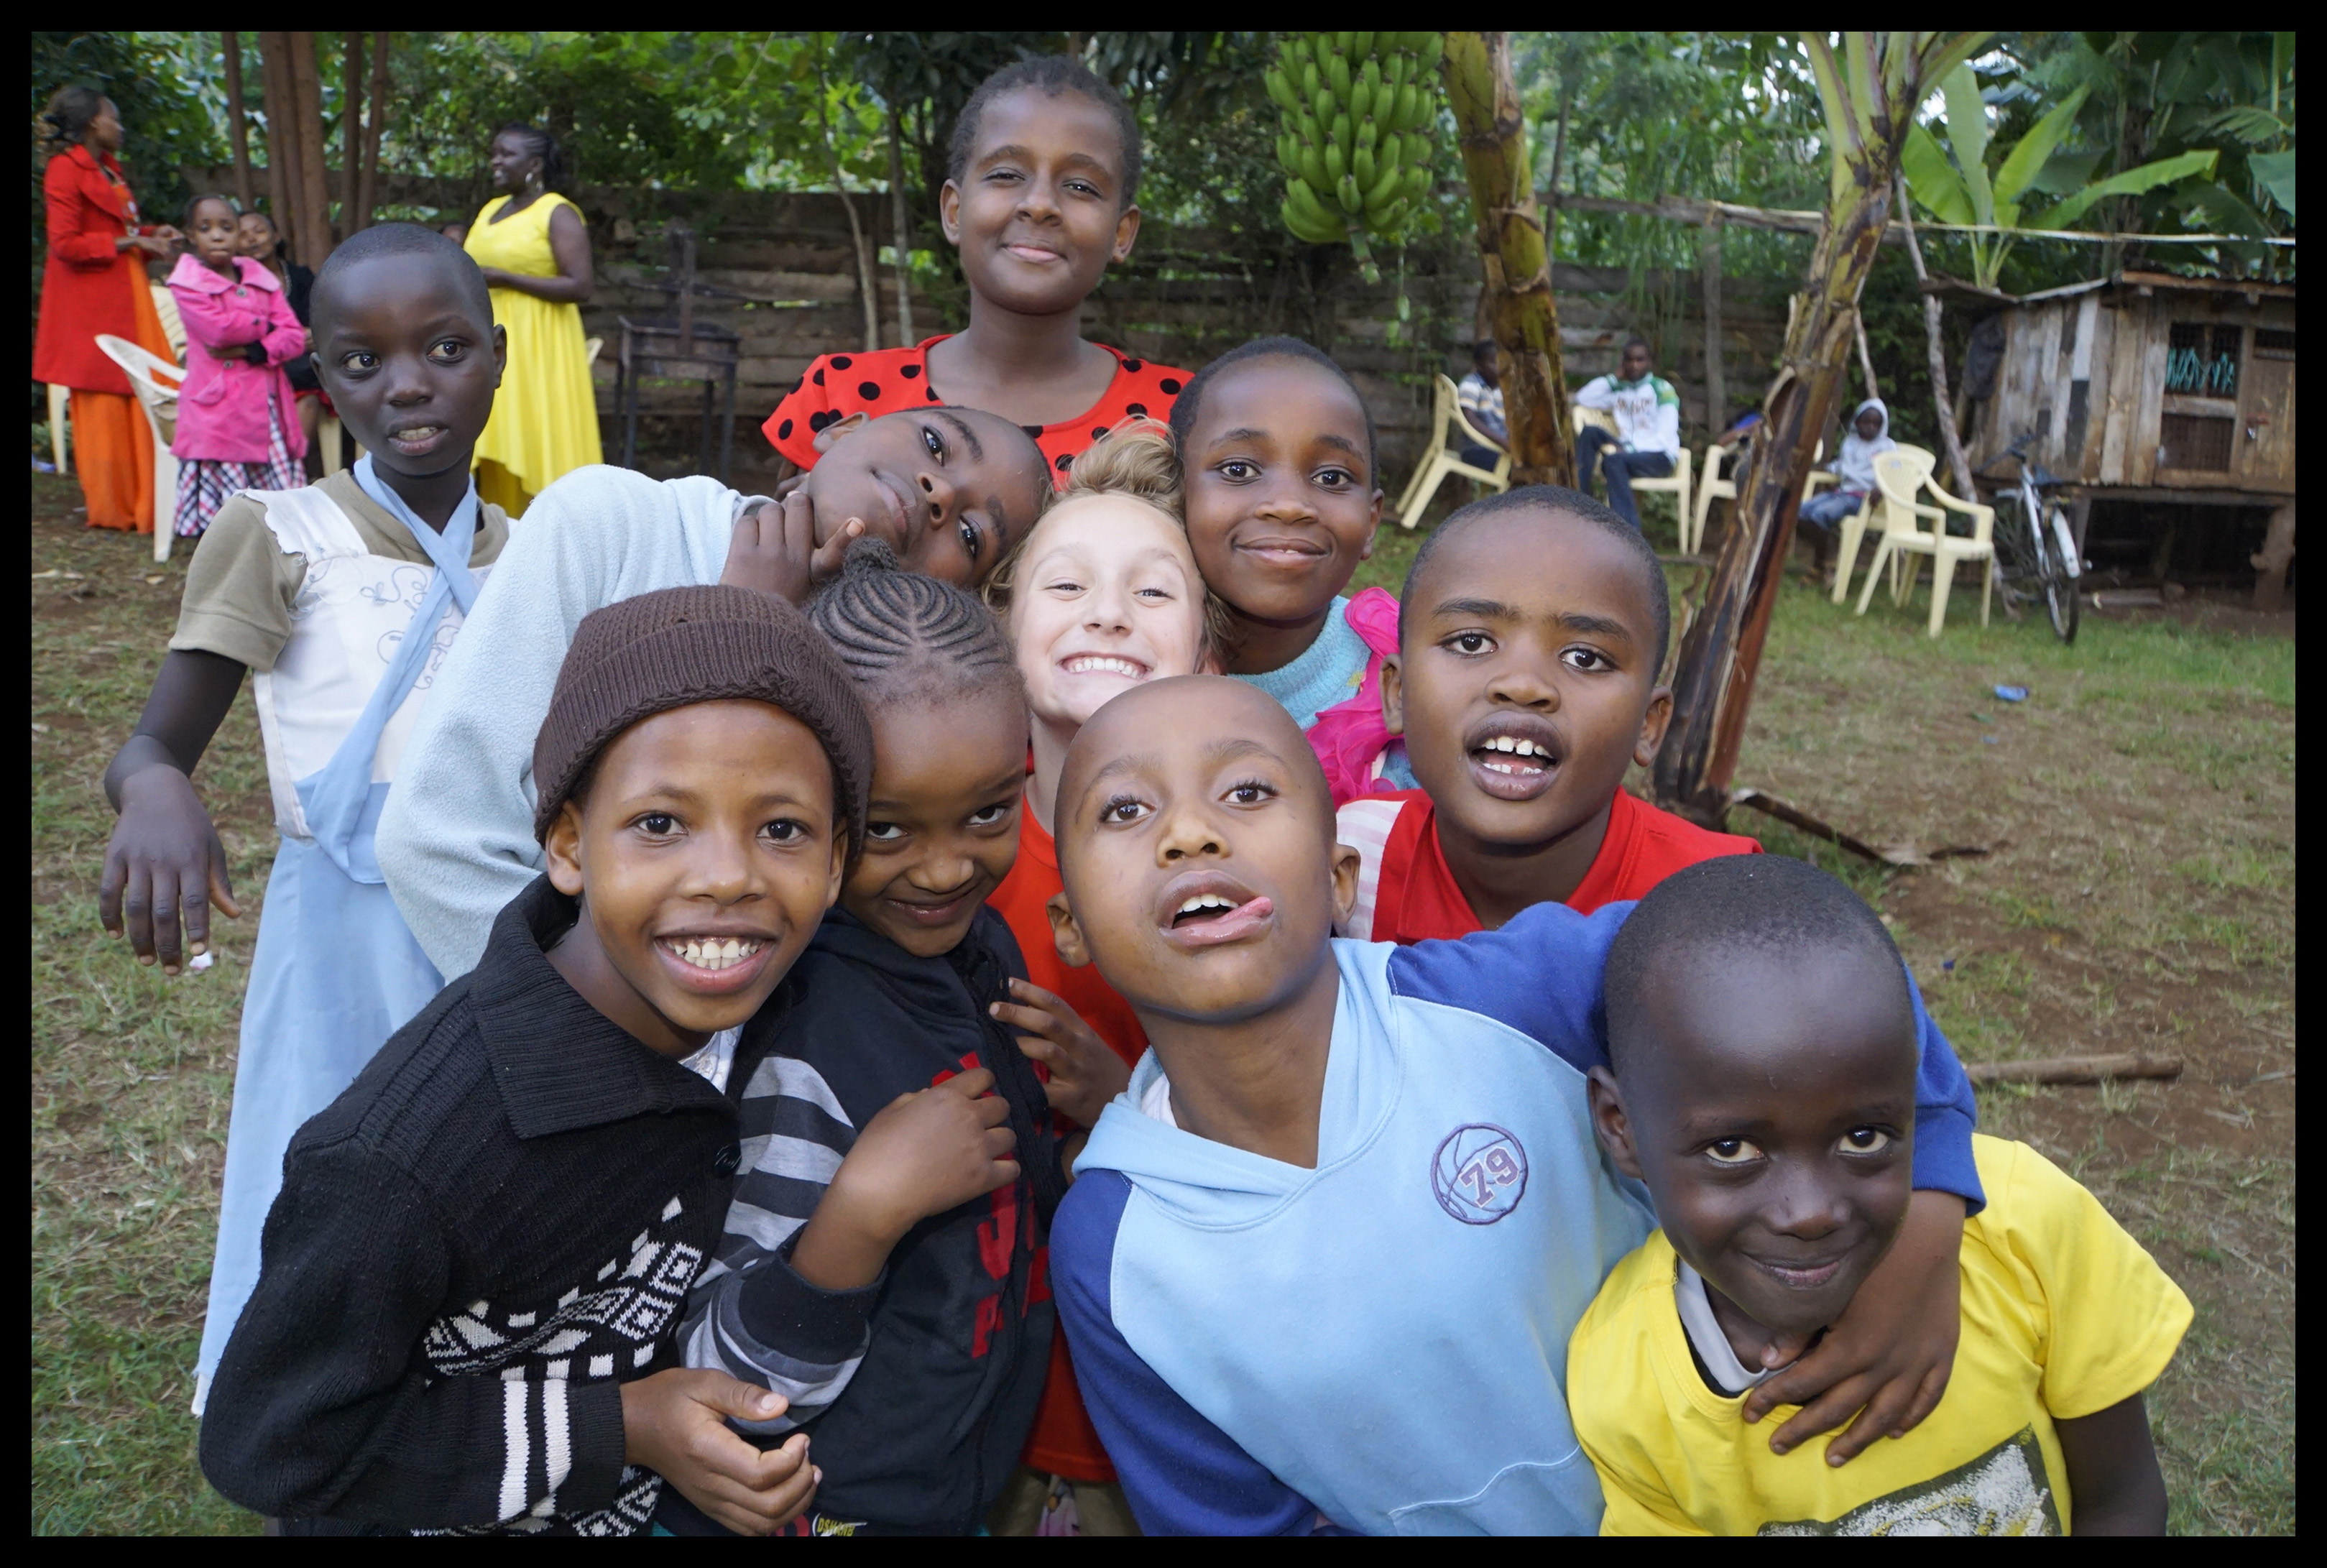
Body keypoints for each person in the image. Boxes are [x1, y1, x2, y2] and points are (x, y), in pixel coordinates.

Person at [1042, 678, 1986, 1534]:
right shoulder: (1112, 1250)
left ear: (1338, 877)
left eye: (1246, 792)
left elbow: (1789, 934)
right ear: (1069, 925)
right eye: (1125, 809)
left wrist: (1926, 1219)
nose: (1191, 833)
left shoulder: (1510, 995)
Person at [200, 585, 870, 1534]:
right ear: (565, 841)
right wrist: (623, 1424)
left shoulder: (765, 1014)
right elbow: (273, 1442)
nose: (728, 875)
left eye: (782, 829)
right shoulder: (403, 1160)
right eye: (660, 823)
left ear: (837, 862)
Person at [97, 223, 512, 1411]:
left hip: (490, 931)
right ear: (323, 377)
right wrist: (160, 792)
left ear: (497, 358)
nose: (408, 385)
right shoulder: (279, 536)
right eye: (362, 361)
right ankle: (306, 1419)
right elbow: (147, 745)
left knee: (480, 1174)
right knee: (333, 1160)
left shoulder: (528, 559)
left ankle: (468, 1413)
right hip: (342, 935)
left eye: (442, 348)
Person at [665, 548, 1130, 1536]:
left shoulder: (977, 948)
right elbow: (720, 1387)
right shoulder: (798, 1039)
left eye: (989, 811)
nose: (948, 865)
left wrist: (1109, 1099)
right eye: (885, 830)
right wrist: (863, 1214)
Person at [1575, 854, 2189, 1535]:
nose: (1810, 1211)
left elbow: (2123, 1500)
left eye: (1863, 1138)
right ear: (1619, 1126)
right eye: (1733, 1150)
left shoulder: (2028, 1226)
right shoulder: (1624, 1388)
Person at [375, 406, 1052, 979]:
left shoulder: (911, 696)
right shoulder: (610, 526)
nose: (939, 492)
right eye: (935, 444)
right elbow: (436, 841)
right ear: (842, 429)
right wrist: (592, 1037)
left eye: (970, 535)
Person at [981, 420, 1214, 1526]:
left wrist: (1121, 1096)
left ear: (1207, 652)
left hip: (1160, 1418)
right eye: (1066, 582)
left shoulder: (1245, 878)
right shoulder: (933, 866)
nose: (1108, 613)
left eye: (1152, 592)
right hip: (967, 1412)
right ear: (1005, 629)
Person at [1337, 485, 1761, 939]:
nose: (1522, 685)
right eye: (1472, 642)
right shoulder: (1355, 859)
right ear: (1398, 694)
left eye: (1584, 658)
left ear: (1648, 724)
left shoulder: (1720, 903)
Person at [764, 57, 1187, 486]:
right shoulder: (841, 393)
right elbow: (775, 543)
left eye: (1081, 186)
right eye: (1006, 174)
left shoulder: (1183, 418)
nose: (1039, 204)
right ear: (954, 210)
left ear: (1121, 232)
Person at [1167, 336, 1416, 803]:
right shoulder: (1118, 665)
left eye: (1331, 478)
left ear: (1371, 522)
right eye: (1239, 470)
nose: (1287, 506)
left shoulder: (1416, 689)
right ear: (1175, 494)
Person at [34, 86, 184, 533]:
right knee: (105, 402)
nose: (120, 127)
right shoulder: (64, 169)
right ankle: (115, 507)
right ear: (93, 124)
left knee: (145, 389)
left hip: (127, 291)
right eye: (114, 118)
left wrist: (153, 235)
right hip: (92, 305)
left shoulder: (109, 168)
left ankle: (151, 501)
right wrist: (134, 241)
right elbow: (65, 244)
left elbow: (123, 230)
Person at [462, 123, 601, 515]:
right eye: (495, 152)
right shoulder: (491, 210)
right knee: (495, 436)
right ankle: (501, 531)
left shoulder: (556, 212)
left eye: (507, 154)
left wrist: (505, 278)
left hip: (540, 341)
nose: (496, 161)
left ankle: (551, 528)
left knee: (536, 433)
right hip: (490, 336)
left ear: (535, 163)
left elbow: (581, 285)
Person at [165, 196, 308, 540]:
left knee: (278, 497)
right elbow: (217, 332)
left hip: (266, 405)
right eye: (206, 228)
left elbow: (294, 338)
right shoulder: (188, 282)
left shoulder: (261, 278)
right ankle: (225, 546)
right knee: (223, 512)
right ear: (191, 235)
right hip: (219, 412)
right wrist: (266, 324)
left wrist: (253, 349)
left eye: (227, 228)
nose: (217, 236)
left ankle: (277, 546)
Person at [237, 209, 327, 477]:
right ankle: (272, 471)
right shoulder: (236, 282)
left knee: (310, 383)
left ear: (276, 237)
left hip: (301, 366)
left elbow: (321, 318)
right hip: (261, 361)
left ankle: (288, 468)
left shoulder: (300, 277)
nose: (253, 239)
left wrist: (315, 334)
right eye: (243, 235)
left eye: (260, 231)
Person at [1573, 337, 1682, 530]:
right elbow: (1584, 398)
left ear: (1650, 362)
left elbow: (1666, 434)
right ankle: (1579, 502)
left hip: (1658, 455)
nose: (1634, 365)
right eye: (1629, 360)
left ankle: (1629, 532)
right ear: (1623, 363)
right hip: (1627, 450)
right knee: (1590, 432)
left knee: (1613, 461)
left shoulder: (1661, 389)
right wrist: (1614, 378)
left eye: (1640, 360)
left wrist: (1628, 448)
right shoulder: (1619, 390)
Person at [1797, 400, 1894, 580]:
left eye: (1876, 424)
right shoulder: (1850, 442)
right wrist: (1828, 469)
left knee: (1821, 514)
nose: (1870, 427)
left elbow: (1895, 473)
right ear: (1857, 422)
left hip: (1863, 498)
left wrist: (1880, 489)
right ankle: (1826, 556)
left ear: (1882, 426)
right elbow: (1842, 465)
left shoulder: (1886, 447)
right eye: (1866, 422)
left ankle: (1822, 561)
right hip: (1841, 492)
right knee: (1800, 511)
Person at [1455, 338, 1507, 469]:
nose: (1499, 367)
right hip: (1476, 450)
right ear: (1479, 365)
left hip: (1498, 449)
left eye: (1502, 361)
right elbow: (1469, 417)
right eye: (1493, 362)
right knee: (1517, 470)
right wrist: (1503, 442)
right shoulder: (1471, 384)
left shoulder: (1501, 390)